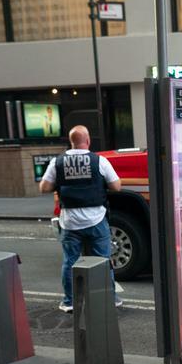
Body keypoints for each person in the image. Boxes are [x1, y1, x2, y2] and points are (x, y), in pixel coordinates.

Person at [39, 125, 123, 313]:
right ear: (88, 141)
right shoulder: (99, 161)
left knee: (70, 262)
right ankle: (110, 299)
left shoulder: (58, 162)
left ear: (71, 141)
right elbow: (116, 186)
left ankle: (69, 301)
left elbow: (43, 187)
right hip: (96, 219)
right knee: (103, 260)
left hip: (69, 222)